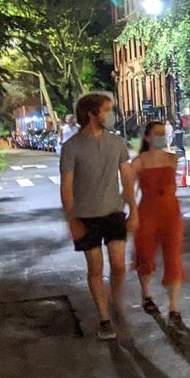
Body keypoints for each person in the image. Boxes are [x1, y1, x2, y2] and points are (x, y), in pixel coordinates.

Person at [59, 93, 138, 340]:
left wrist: (134, 210)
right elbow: (66, 186)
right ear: (92, 114)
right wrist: (71, 220)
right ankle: (104, 318)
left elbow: (126, 177)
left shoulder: (117, 143)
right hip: (85, 217)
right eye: (107, 110)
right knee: (95, 268)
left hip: (113, 213)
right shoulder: (71, 148)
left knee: (118, 266)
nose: (111, 115)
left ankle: (114, 299)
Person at [130, 122, 185, 328]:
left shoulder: (173, 159)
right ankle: (146, 294)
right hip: (147, 213)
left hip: (171, 213)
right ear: (147, 137)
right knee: (145, 254)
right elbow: (130, 191)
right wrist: (132, 214)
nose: (162, 137)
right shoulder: (138, 162)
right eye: (157, 133)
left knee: (173, 258)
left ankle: (174, 307)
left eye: (164, 133)